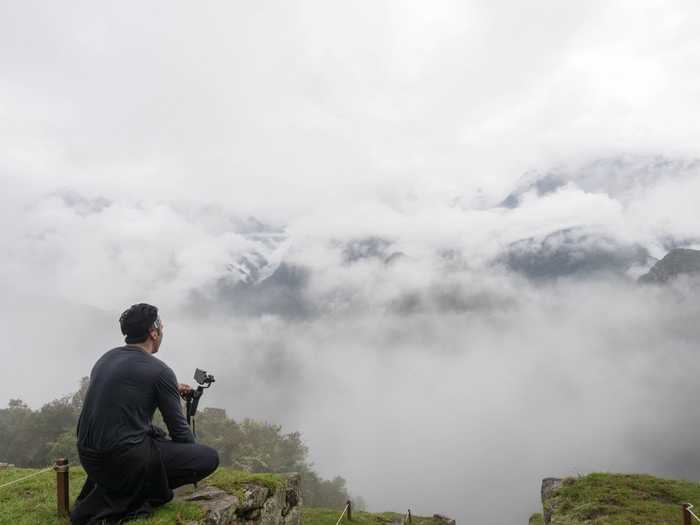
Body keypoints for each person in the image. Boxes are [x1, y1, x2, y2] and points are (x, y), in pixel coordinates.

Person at [70, 303, 220, 525]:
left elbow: (121, 396)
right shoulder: (160, 371)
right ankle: (141, 494)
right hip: (123, 461)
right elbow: (182, 436)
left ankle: (114, 488)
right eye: (161, 327)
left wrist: (169, 388)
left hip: (90, 458)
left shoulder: (106, 358)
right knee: (208, 457)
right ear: (153, 332)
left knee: (153, 435)